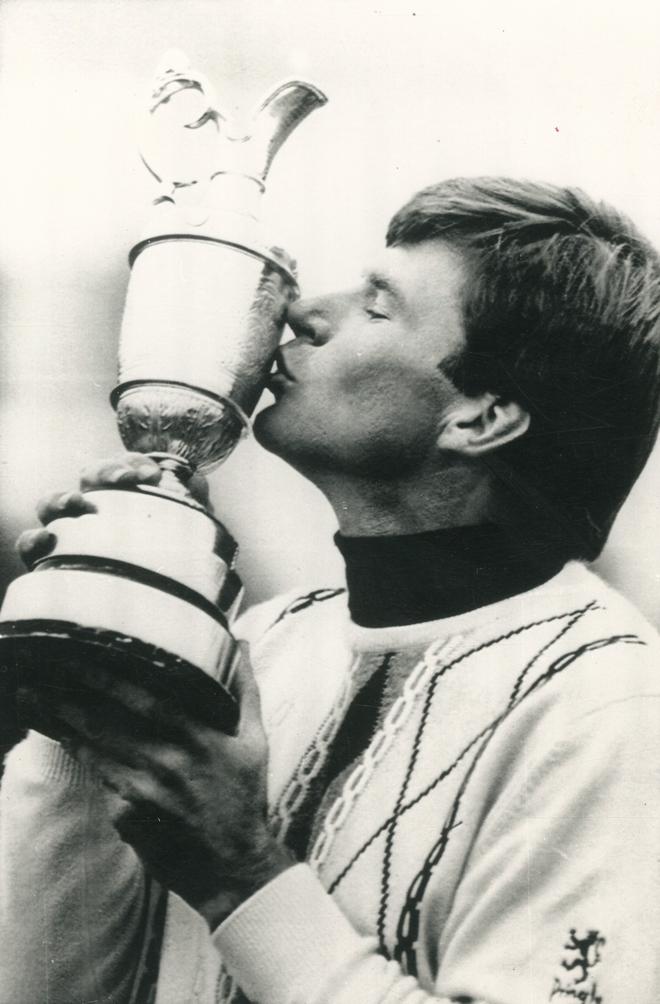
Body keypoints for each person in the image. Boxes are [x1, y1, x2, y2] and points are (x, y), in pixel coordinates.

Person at [2, 177, 660, 1004]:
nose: (308, 311)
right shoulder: (263, 643)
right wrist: (88, 703)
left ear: (480, 417)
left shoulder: (606, 702)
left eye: (378, 306)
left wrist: (242, 874)